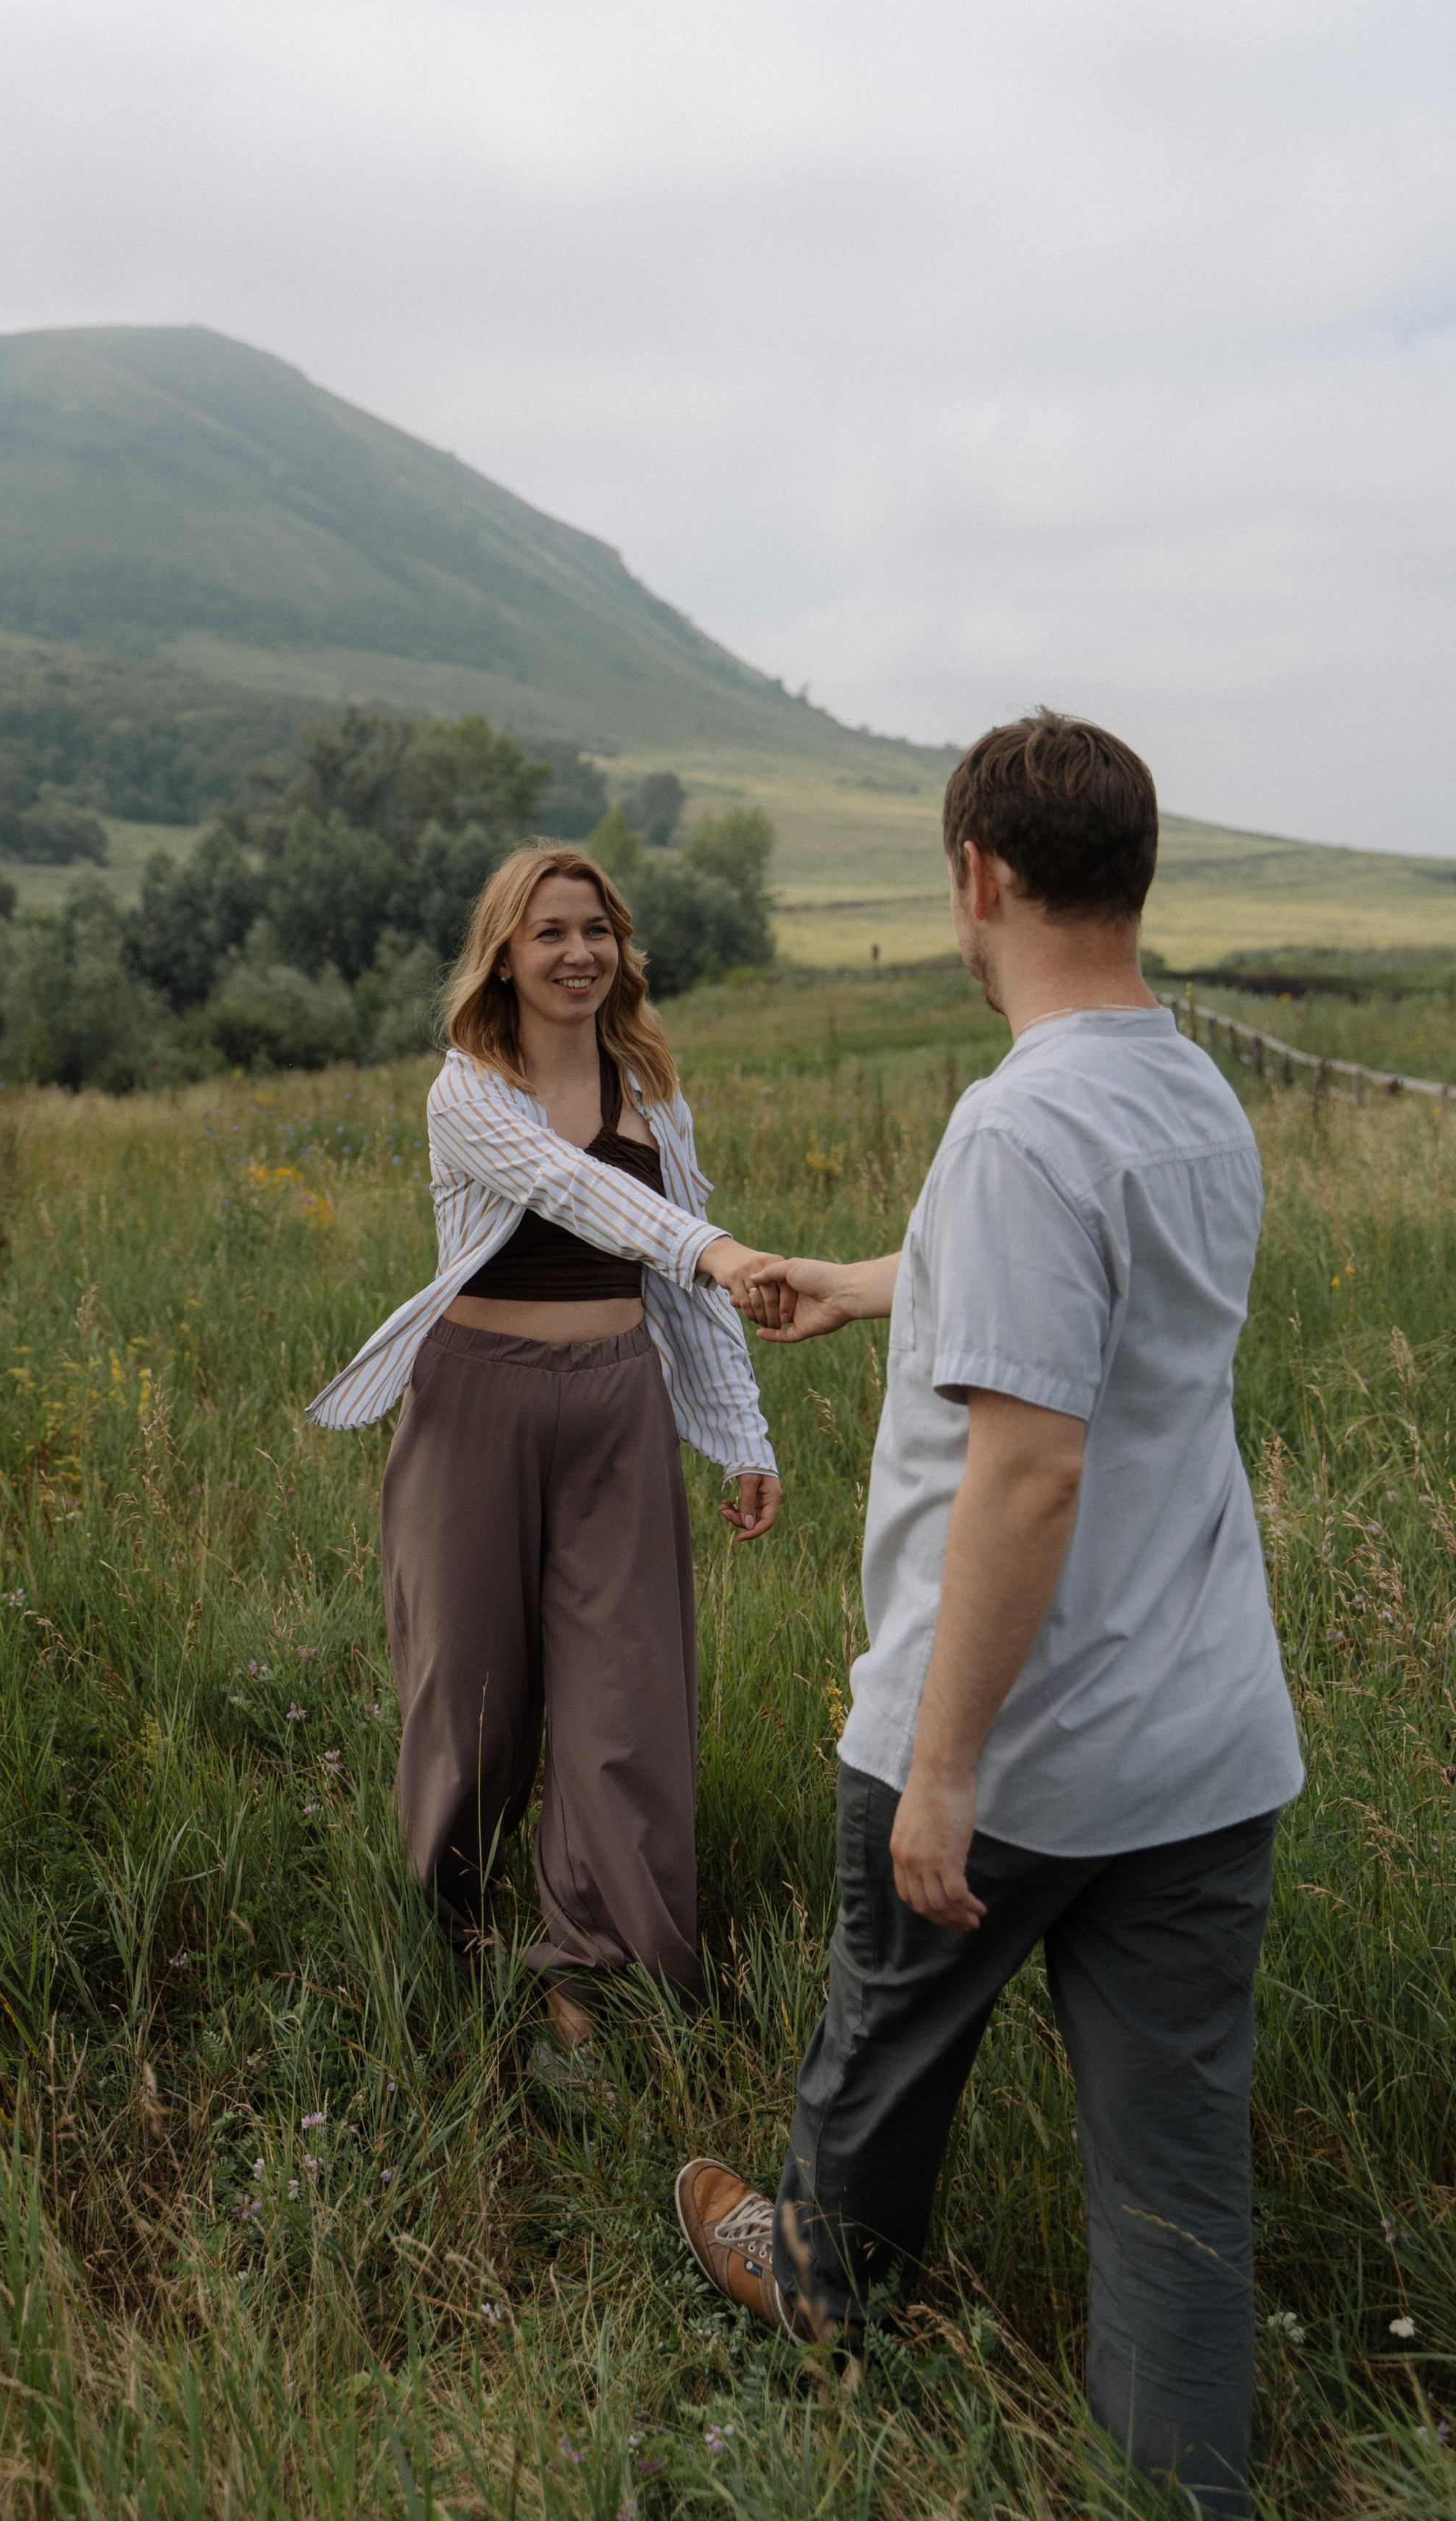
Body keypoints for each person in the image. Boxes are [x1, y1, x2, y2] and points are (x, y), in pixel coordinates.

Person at [674, 714, 1302, 2518]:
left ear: (974, 878)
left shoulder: (1016, 1123)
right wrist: (863, 1290)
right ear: (1134, 875)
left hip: (1013, 1745)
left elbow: (1028, 1473)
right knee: (1176, 2187)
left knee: (877, 2059)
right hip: (1202, 1748)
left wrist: (939, 1769)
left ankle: (822, 2282)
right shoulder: (1178, 1084)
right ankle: (1179, 2492)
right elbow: (1062, 1291)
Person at [309, 842, 784, 2045]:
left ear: (620, 949)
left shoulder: (653, 1092)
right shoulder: (469, 1089)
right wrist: (713, 1244)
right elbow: (587, 1199)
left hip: (617, 1404)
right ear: (504, 957)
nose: (578, 954)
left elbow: (674, 1291)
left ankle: (598, 1986)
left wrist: (741, 1439)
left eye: (596, 931)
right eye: (549, 933)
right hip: (477, 1405)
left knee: (624, 1706)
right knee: (468, 1702)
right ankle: (448, 1949)